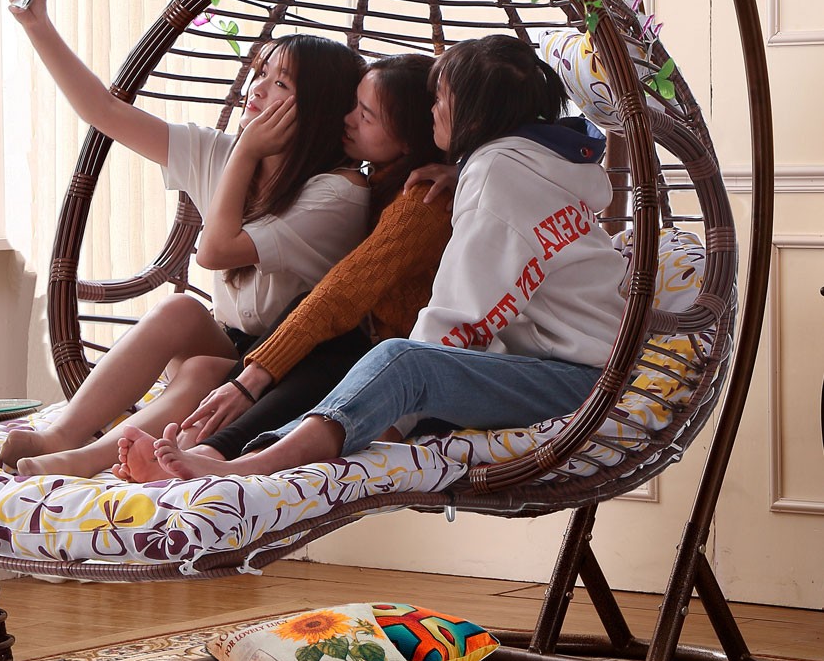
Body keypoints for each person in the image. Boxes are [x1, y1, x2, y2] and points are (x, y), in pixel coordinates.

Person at [139, 33, 629, 483]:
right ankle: (233, 448)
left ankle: (250, 465)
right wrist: (462, 170)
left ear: (474, 116)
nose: (433, 110)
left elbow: (458, 313)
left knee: (401, 359)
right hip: (567, 364)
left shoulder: (491, 178)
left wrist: (401, 401)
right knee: (364, 349)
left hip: (579, 382)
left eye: (441, 98)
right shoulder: (532, 161)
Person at [0, 0, 370, 477]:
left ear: (317, 111)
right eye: (260, 72)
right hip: (233, 347)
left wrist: (245, 153)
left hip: (292, 368)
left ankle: (83, 461)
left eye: (279, 82)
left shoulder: (337, 193)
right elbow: (104, 111)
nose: (256, 88)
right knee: (181, 311)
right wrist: (37, 25)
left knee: (201, 369)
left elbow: (214, 252)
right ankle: (62, 436)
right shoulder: (219, 152)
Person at [112, 53, 453, 482]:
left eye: (365, 116)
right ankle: (186, 446)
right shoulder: (382, 183)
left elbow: (341, 294)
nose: (347, 119)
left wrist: (250, 379)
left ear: (407, 140)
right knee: (281, 339)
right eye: (353, 104)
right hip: (349, 349)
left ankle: (210, 453)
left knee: (332, 345)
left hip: (396, 373)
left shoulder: (419, 202)